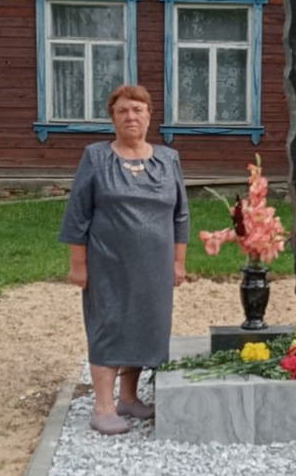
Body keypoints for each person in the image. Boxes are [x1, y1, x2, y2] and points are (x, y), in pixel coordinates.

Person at [59, 84, 190, 435]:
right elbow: (77, 215)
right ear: (113, 118)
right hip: (108, 263)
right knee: (109, 324)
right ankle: (102, 407)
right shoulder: (96, 157)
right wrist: (79, 265)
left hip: (155, 266)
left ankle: (128, 398)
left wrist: (178, 263)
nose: (131, 116)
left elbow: (181, 215)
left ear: (149, 115)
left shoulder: (168, 158)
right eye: (123, 111)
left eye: (138, 109)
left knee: (145, 325)